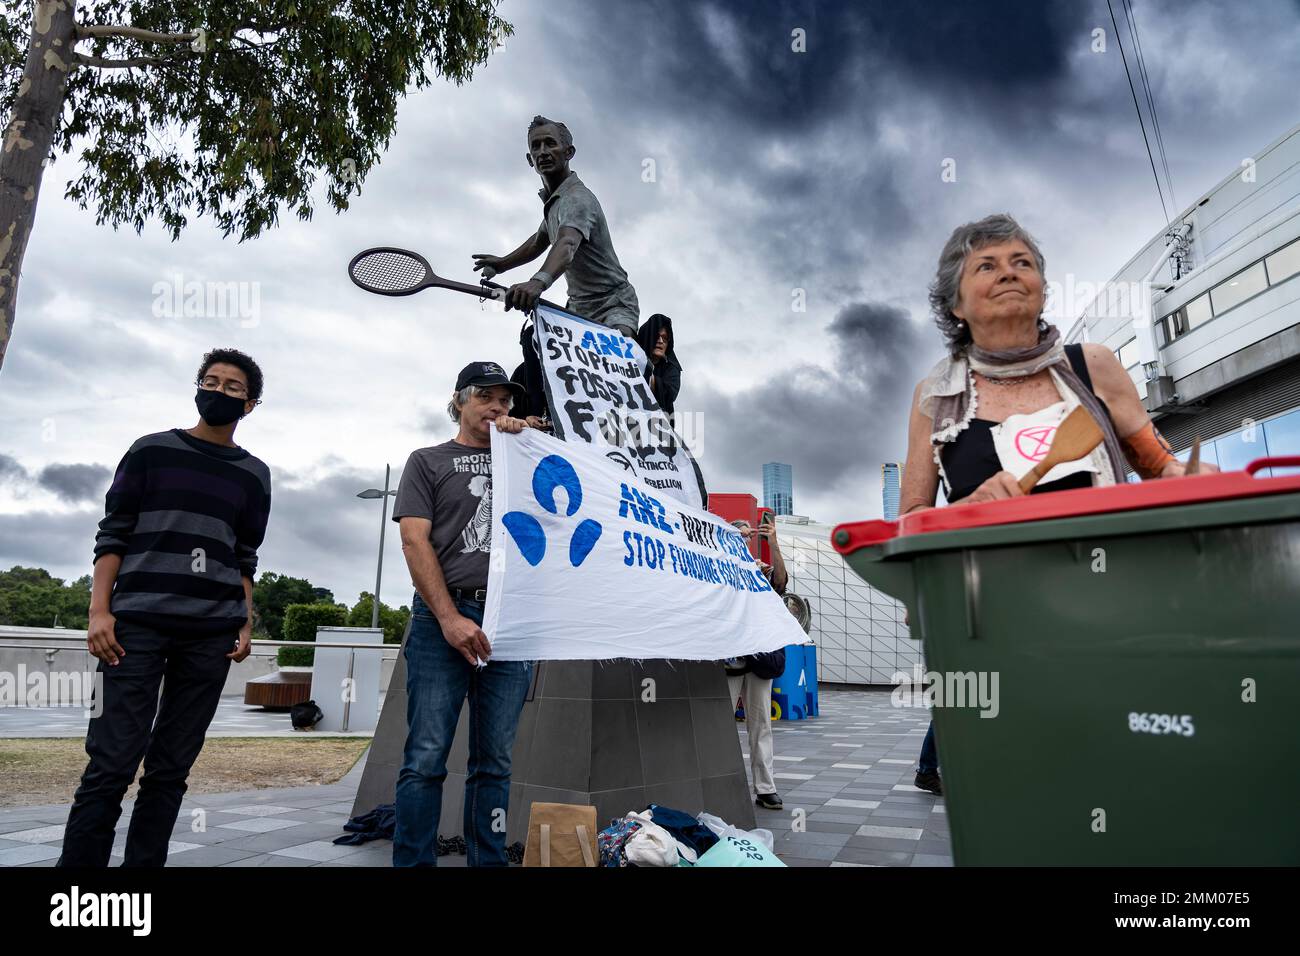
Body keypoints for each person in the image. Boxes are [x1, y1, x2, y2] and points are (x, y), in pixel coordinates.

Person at [898, 212, 1217, 792]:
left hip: (1115, 610)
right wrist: (966, 510)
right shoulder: (934, 396)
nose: (1009, 273)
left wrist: (1185, 475)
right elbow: (914, 521)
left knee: (1123, 779)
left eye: (1023, 262)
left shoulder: (1090, 366)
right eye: (986, 267)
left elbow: (1153, 458)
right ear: (955, 305)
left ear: (1043, 287)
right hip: (995, 627)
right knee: (1021, 788)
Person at [58, 349, 271, 867]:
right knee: (110, 764)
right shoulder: (151, 451)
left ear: (251, 404)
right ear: (197, 387)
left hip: (210, 633)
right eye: (211, 381)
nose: (218, 392)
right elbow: (113, 534)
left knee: (170, 769)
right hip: (134, 627)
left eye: (233, 387)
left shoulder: (254, 475)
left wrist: (244, 619)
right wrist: (98, 612)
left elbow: (244, 556)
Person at [391, 361, 537, 866]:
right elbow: (414, 540)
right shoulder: (427, 460)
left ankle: (488, 861)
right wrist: (451, 617)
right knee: (425, 757)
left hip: (509, 619)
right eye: (485, 397)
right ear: (458, 401)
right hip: (441, 616)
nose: (497, 407)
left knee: (495, 762)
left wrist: (529, 442)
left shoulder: (525, 457)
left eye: (505, 400)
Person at [472, 115, 641, 335]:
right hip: (578, 307)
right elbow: (537, 241)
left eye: (550, 144)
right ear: (530, 159)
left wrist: (538, 282)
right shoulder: (555, 204)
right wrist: (502, 264)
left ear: (568, 152)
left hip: (614, 304)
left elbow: (567, 243)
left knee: (618, 360)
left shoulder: (577, 198)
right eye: (536, 146)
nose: (543, 151)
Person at [724, 516, 789, 811]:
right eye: (738, 535)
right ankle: (721, 781)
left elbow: (781, 582)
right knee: (721, 723)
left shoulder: (760, 572)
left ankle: (765, 787)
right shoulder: (721, 568)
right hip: (732, 657)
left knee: (761, 724)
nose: (744, 538)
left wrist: (773, 543)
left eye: (746, 536)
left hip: (760, 657)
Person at [636, 313, 682, 417]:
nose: (661, 341)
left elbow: (669, 394)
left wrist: (647, 377)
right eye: (656, 336)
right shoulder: (631, 357)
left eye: (665, 338)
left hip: (656, 425)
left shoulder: (671, 368)